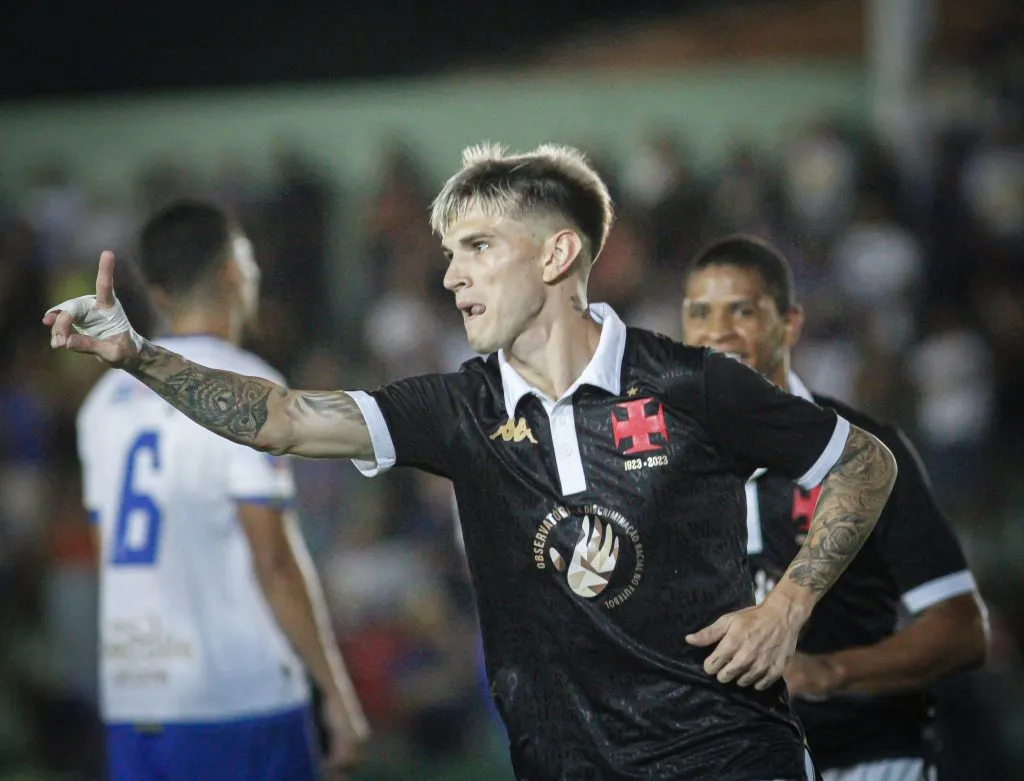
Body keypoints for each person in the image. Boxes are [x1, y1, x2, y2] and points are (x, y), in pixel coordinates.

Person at [45, 144, 899, 781]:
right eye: (450, 253)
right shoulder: (457, 408)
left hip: (727, 758)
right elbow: (281, 419)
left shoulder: (693, 383)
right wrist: (141, 356)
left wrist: (788, 605)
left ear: (558, 255)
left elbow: (863, 461)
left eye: (478, 247)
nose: (451, 275)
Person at [73, 201, 369, 781]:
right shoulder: (250, 393)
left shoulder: (101, 405)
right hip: (238, 698)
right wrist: (335, 693)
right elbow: (274, 563)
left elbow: (106, 552)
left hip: (135, 699)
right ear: (235, 271)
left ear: (156, 292)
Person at [680, 234, 988, 781]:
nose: (718, 331)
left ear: (791, 323)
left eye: (742, 310)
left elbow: (960, 630)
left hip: (868, 761)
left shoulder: (865, 452)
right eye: (700, 312)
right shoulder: (664, 464)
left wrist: (827, 671)